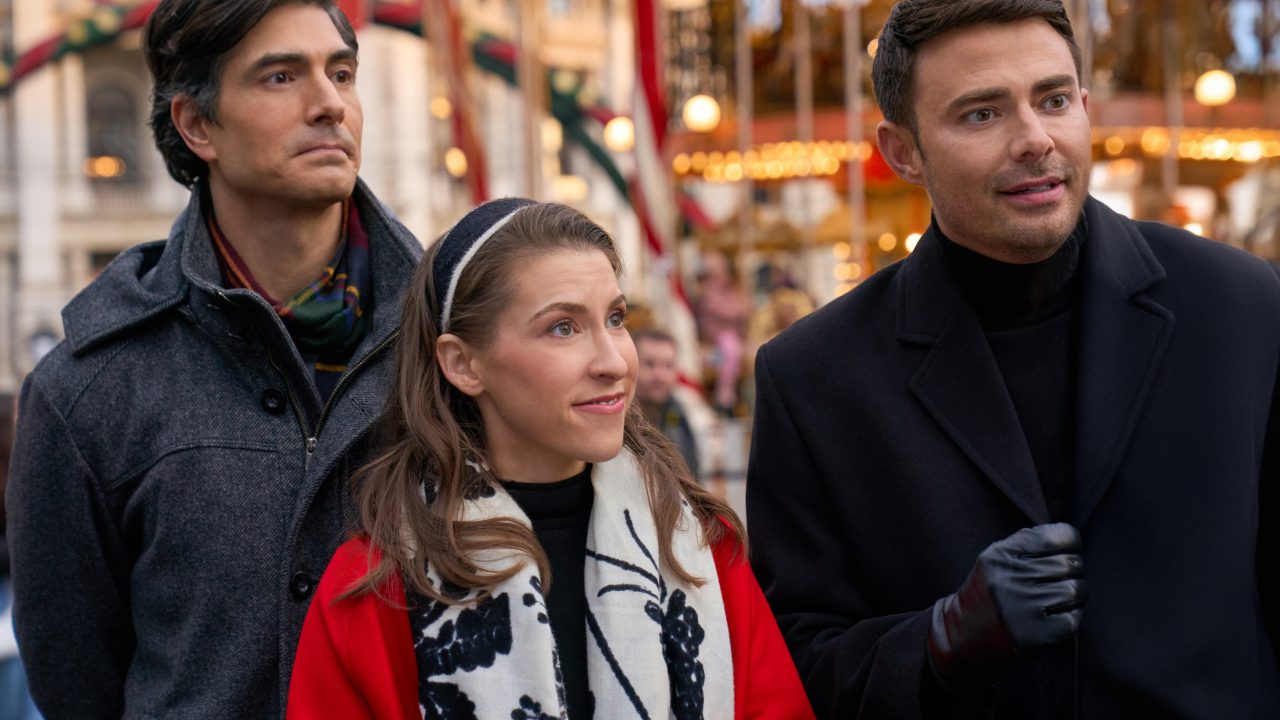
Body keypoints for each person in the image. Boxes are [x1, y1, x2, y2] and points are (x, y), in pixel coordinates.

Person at [747, 1, 1280, 717]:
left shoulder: (1240, 307)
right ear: (902, 150)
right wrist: (939, 641)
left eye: (1053, 100)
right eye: (981, 114)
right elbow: (790, 667)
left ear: (1085, 107)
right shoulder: (813, 377)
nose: (1034, 139)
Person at [5, 1, 422, 717]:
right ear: (198, 125)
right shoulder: (89, 388)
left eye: (342, 73)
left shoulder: (454, 344)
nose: (329, 105)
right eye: (281, 77)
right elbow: (80, 686)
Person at [286, 199, 813, 719]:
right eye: (563, 327)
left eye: (615, 318)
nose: (612, 361)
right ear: (463, 363)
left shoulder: (699, 548)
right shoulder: (379, 587)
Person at [634, 328, 701, 480]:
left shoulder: (677, 412)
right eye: (650, 364)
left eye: (668, 366)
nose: (659, 375)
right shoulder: (619, 415)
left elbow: (692, 472)